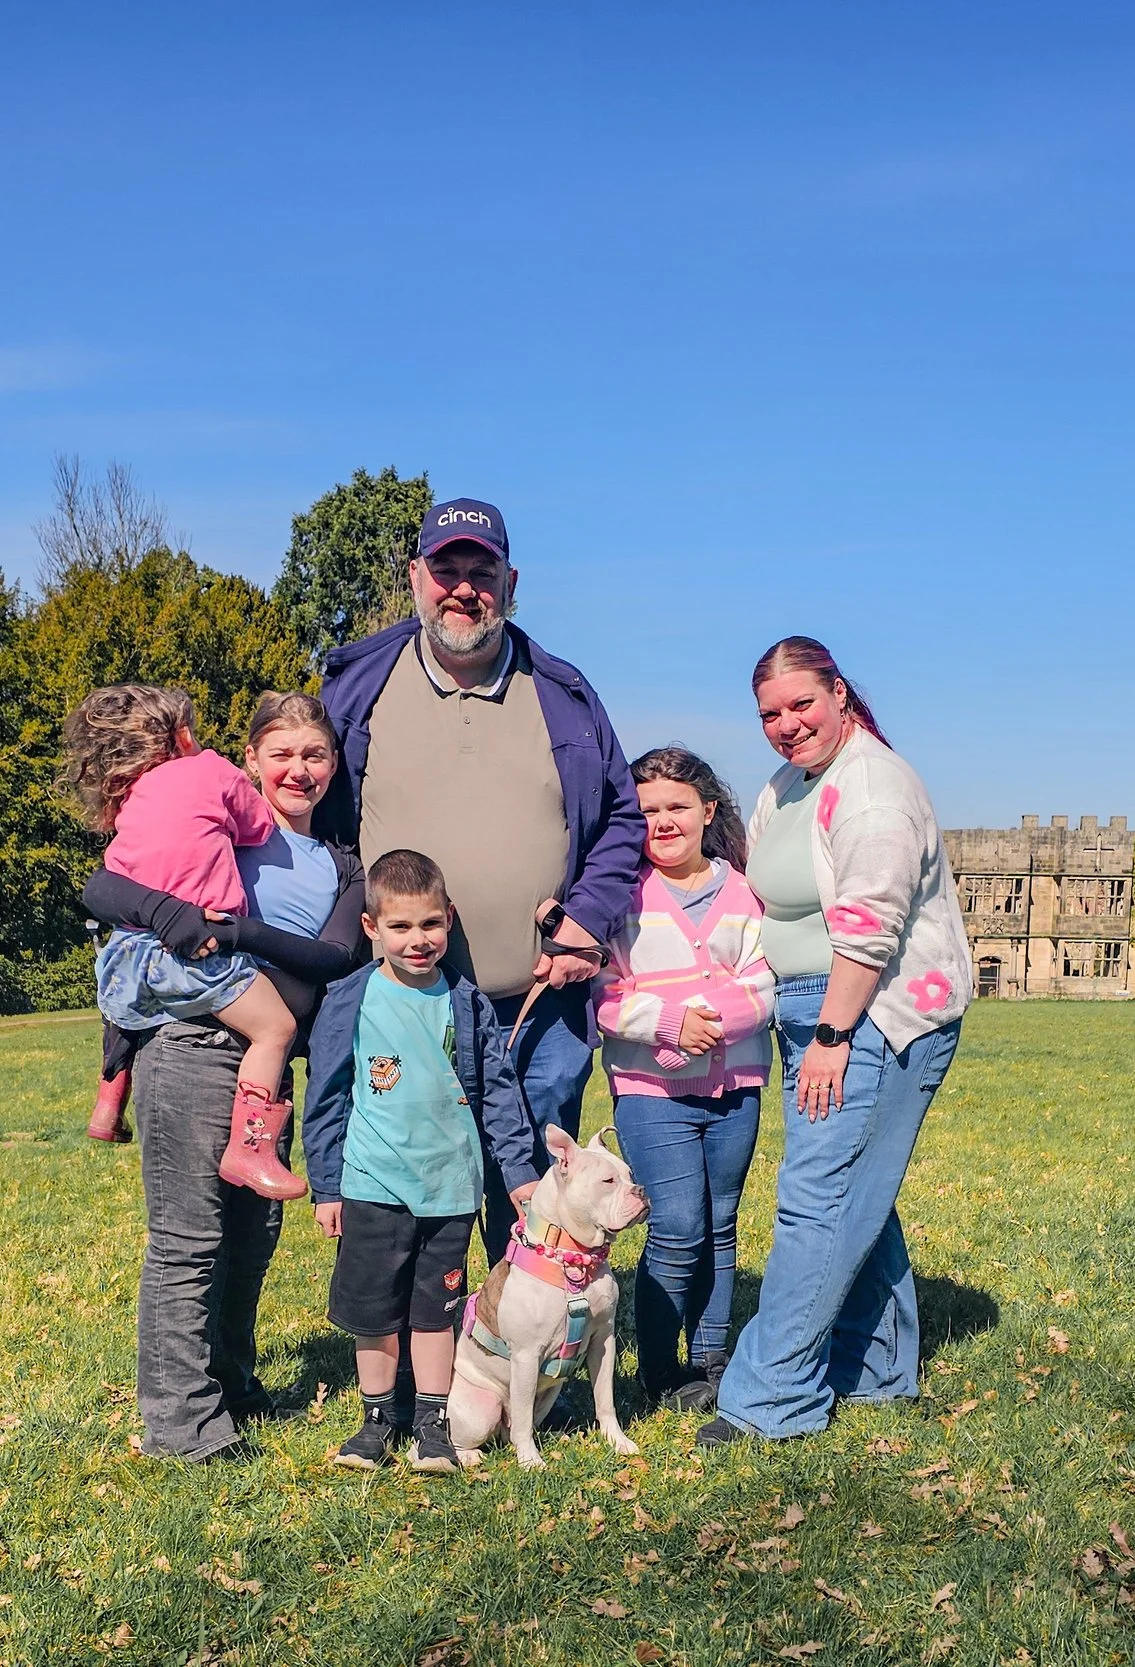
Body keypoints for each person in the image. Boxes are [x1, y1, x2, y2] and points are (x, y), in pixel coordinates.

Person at [314, 496, 646, 1262]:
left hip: (540, 1004)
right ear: (415, 578)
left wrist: (586, 923)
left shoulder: (561, 693)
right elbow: (317, 820)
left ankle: (518, 1355)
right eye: (446, 570)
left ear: (511, 580)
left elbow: (623, 820)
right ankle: (419, 1366)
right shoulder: (359, 688)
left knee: (529, 1186)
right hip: (405, 1002)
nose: (463, 588)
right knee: (408, 1187)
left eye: (481, 571)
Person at [699, 637, 975, 1447]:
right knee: (858, 1192)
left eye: (800, 704)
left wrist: (831, 1034)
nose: (786, 725)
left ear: (840, 693)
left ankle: (771, 1397)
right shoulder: (787, 785)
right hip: (807, 1007)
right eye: (769, 714)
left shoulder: (873, 789)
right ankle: (880, 1371)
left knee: (816, 1200)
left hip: (872, 1013)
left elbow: (869, 929)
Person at [79, 693, 367, 1463]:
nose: (299, 769)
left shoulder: (344, 862)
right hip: (193, 1044)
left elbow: (334, 956)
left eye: (315, 755)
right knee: (188, 1237)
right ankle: (183, 1426)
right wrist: (168, 914)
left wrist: (240, 931)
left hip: (268, 1065)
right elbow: (104, 889)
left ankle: (233, 1381)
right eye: (282, 753)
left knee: (252, 1234)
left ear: (333, 764)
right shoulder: (218, 820)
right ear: (250, 762)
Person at [302, 849, 542, 1473]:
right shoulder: (348, 1000)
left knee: (436, 1313)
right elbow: (325, 1097)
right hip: (372, 1185)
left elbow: (498, 1091)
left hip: (450, 1190)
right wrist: (327, 1186)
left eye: (431, 925)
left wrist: (518, 1174)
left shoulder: (466, 1001)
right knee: (375, 1314)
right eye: (401, 927)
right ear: (371, 928)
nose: (418, 940)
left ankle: (433, 1423)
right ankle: (377, 1420)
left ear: (449, 920)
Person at [64, 683, 301, 1198]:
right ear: (184, 734)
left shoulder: (127, 801)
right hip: (193, 954)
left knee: (130, 1013)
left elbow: (112, 879)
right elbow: (258, 826)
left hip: (126, 955)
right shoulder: (211, 770)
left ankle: (108, 1103)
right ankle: (251, 1148)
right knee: (276, 1028)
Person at [594, 747, 774, 1412]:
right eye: (647, 811)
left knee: (721, 1223)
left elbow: (765, 979)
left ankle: (713, 1358)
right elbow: (604, 995)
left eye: (676, 806)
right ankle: (661, 1366)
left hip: (735, 1090)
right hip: (650, 1092)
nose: (663, 820)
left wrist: (717, 1022)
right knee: (675, 1224)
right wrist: (670, 1022)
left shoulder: (744, 892)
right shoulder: (621, 897)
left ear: (708, 810)